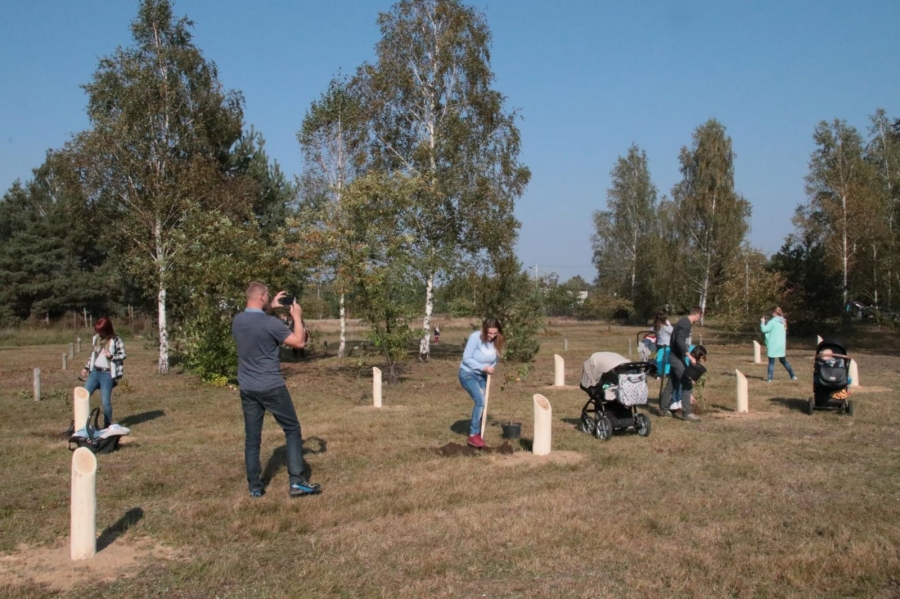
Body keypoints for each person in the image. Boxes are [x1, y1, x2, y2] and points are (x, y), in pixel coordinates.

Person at [232, 282, 321, 498]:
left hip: (247, 387)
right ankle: (297, 482)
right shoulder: (271, 323)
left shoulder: (237, 320)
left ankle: (255, 487)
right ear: (262, 297)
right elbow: (299, 342)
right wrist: (297, 316)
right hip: (271, 386)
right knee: (292, 430)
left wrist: (271, 307)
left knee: (252, 439)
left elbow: (257, 322)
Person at [458, 318, 504, 449]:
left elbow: (495, 358)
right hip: (468, 373)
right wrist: (483, 367)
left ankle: (478, 434)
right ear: (484, 330)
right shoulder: (475, 338)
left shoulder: (497, 340)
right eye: (489, 333)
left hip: (483, 375)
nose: (492, 336)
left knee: (484, 404)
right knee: (480, 401)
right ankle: (473, 435)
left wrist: (491, 367)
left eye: (495, 333)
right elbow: (466, 358)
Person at [80, 317, 126, 429]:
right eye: (97, 330)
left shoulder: (116, 340)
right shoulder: (96, 338)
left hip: (107, 374)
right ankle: (80, 423)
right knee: (83, 397)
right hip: (95, 372)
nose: (99, 333)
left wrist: (111, 356)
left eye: (101, 331)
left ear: (107, 329)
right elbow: (93, 356)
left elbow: (123, 355)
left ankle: (107, 426)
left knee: (105, 402)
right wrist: (86, 368)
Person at [669, 306, 703, 422]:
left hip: (676, 356)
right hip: (676, 356)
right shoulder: (686, 324)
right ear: (697, 315)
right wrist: (689, 356)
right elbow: (679, 341)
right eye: (699, 318)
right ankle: (686, 413)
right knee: (687, 382)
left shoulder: (683, 321)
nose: (698, 320)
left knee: (671, 383)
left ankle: (664, 409)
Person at [761, 307, 797, 382]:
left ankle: (770, 378)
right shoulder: (783, 322)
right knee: (783, 361)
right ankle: (793, 376)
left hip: (773, 344)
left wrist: (763, 322)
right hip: (781, 345)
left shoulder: (772, 322)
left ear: (774, 313)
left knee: (771, 362)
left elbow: (764, 329)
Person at [652, 312, 674, 415]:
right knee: (667, 362)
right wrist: (669, 324)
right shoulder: (665, 327)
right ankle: (666, 373)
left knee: (660, 361)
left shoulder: (656, 326)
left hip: (659, 345)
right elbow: (673, 331)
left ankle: (659, 373)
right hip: (667, 346)